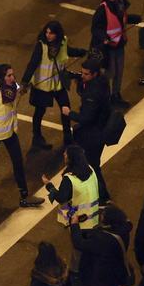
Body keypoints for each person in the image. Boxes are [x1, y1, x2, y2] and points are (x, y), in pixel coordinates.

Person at [0, 63, 46, 207]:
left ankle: (24, 196)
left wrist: (22, 90)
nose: (13, 78)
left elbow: (14, 96)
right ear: (1, 78)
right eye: (9, 75)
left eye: (12, 74)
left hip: (9, 132)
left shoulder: (9, 87)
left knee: (18, 162)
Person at [69, 204, 133, 286]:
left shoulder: (105, 240)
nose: (100, 217)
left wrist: (74, 225)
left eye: (103, 216)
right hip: (111, 278)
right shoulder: (122, 231)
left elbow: (79, 243)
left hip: (102, 282)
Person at [21, 21, 82, 150]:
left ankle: (67, 137)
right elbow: (32, 64)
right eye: (47, 32)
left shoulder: (63, 42)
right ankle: (37, 138)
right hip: (42, 87)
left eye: (51, 33)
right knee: (39, 112)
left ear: (57, 34)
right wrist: (24, 83)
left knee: (66, 109)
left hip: (57, 84)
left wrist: (82, 52)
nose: (48, 35)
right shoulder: (41, 45)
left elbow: (67, 51)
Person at [66, 59, 112, 200]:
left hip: (92, 134)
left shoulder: (93, 92)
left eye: (86, 74)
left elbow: (86, 118)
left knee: (92, 166)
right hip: (99, 130)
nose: (82, 76)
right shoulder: (101, 83)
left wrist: (70, 113)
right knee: (92, 165)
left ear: (94, 74)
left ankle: (103, 197)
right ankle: (101, 195)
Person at [89, 0, 140, 105]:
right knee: (111, 72)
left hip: (119, 43)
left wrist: (134, 18)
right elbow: (95, 28)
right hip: (108, 47)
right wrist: (104, 37)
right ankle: (101, 95)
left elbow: (121, 19)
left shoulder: (121, 5)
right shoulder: (103, 8)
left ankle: (115, 95)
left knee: (119, 71)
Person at [44, 145, 101, 230]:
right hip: (93, 216)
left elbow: (61, 198)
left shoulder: (70, 179)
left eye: (66, 154)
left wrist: (49, 185)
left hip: (78, 220)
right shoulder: (90, 169)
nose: (64, 154)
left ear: (71, 159)